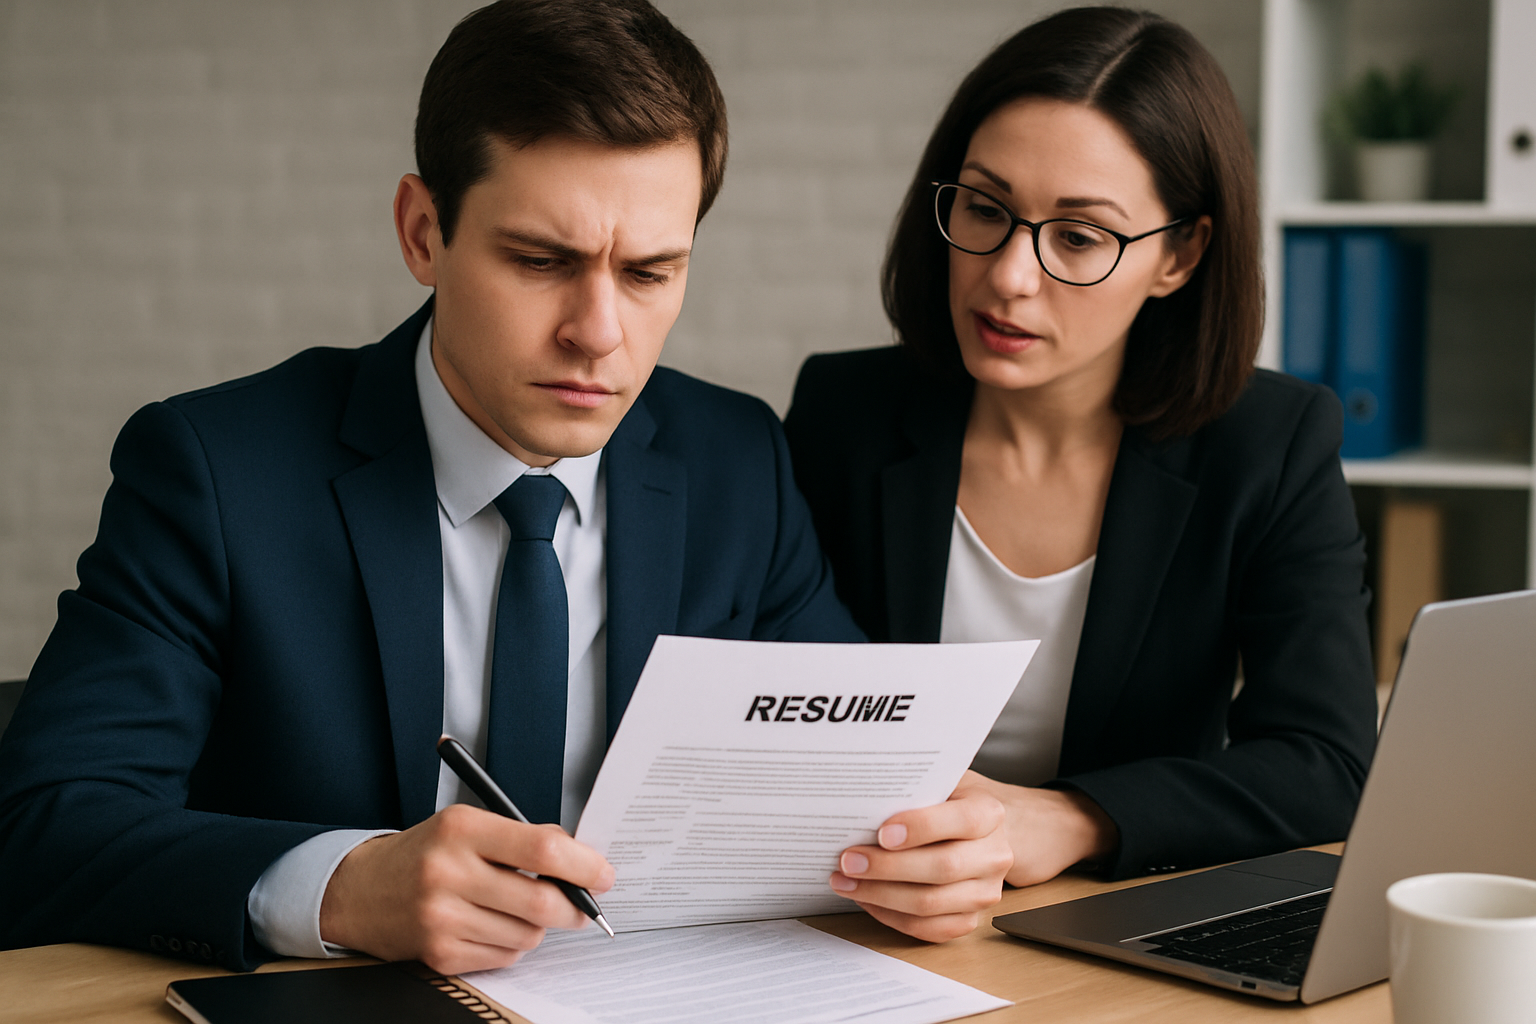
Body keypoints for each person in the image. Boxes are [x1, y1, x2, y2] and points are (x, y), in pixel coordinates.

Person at [0, 0, 1015, 975]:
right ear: (422, 233)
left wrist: (931, 843)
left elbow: (855, 771)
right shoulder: (216, 470)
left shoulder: (735, 459)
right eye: (540, 260)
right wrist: (344, 888)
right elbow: (43, 824)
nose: (599, 334)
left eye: (650, 272)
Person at [786, 7, 1380, 896]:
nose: (1008, 276)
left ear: (1180, 255)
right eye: (985, 208)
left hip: (1105, 912)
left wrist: (1068, 821)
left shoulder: (1268, 444)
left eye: (1078, 237)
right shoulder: (844, 414)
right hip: (862, 893)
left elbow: (1328, 763)